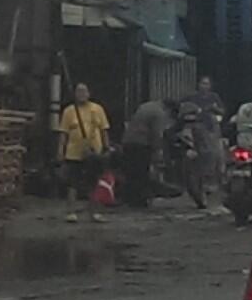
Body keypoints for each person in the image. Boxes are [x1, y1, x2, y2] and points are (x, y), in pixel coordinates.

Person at [58, 83, 111, 223]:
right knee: (72, 183)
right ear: (74, 94)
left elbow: (104, 130)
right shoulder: (69, 111)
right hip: (73, 153)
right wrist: (60, 151)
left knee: (93, 183)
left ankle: (94, 212)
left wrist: (107, 147)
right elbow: (63, 133)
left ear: (89, 93)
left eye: (84, 91)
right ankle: (71, 212)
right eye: (78, 91)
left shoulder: (98, 109)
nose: (81, 94)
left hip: (94, 153)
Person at [120, 99, 178, 208]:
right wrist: (157, 150)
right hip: (141, 143)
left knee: (131, 172)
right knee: (141, 173)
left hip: (128, 141)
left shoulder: (146, 106)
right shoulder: (159, 113)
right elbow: (156, 134)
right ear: (169, 109)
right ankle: (138, 201)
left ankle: (128, 199)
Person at [185, 76, 226, 192]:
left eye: (207, 84)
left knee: (213, 154)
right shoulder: (192, 97)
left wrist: (215, 109)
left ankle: (210, 181)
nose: (204, 86)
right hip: (194, 129)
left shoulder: (214, 97)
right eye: (203, 83)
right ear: (198, 85)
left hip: (211, 130)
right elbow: (182, 108)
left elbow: (222, 111)